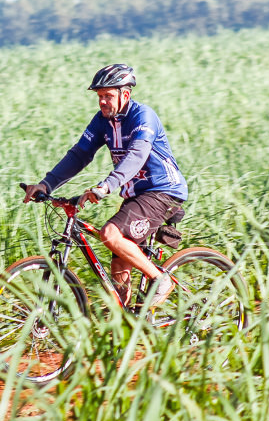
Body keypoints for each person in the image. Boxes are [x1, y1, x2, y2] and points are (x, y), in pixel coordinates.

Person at [23, 63, 188, 308]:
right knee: (119, 265)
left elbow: (137, 155)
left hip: (162, 190)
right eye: (99, 96)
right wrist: (47, 185)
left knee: (110, 234)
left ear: (125, 95)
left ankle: (161, 280)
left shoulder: (143, 116)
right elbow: (79, 155)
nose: (102, 102)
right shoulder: (102, 121)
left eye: (108, 96)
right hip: (136, 196)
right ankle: (125, 329)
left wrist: (106, 186)